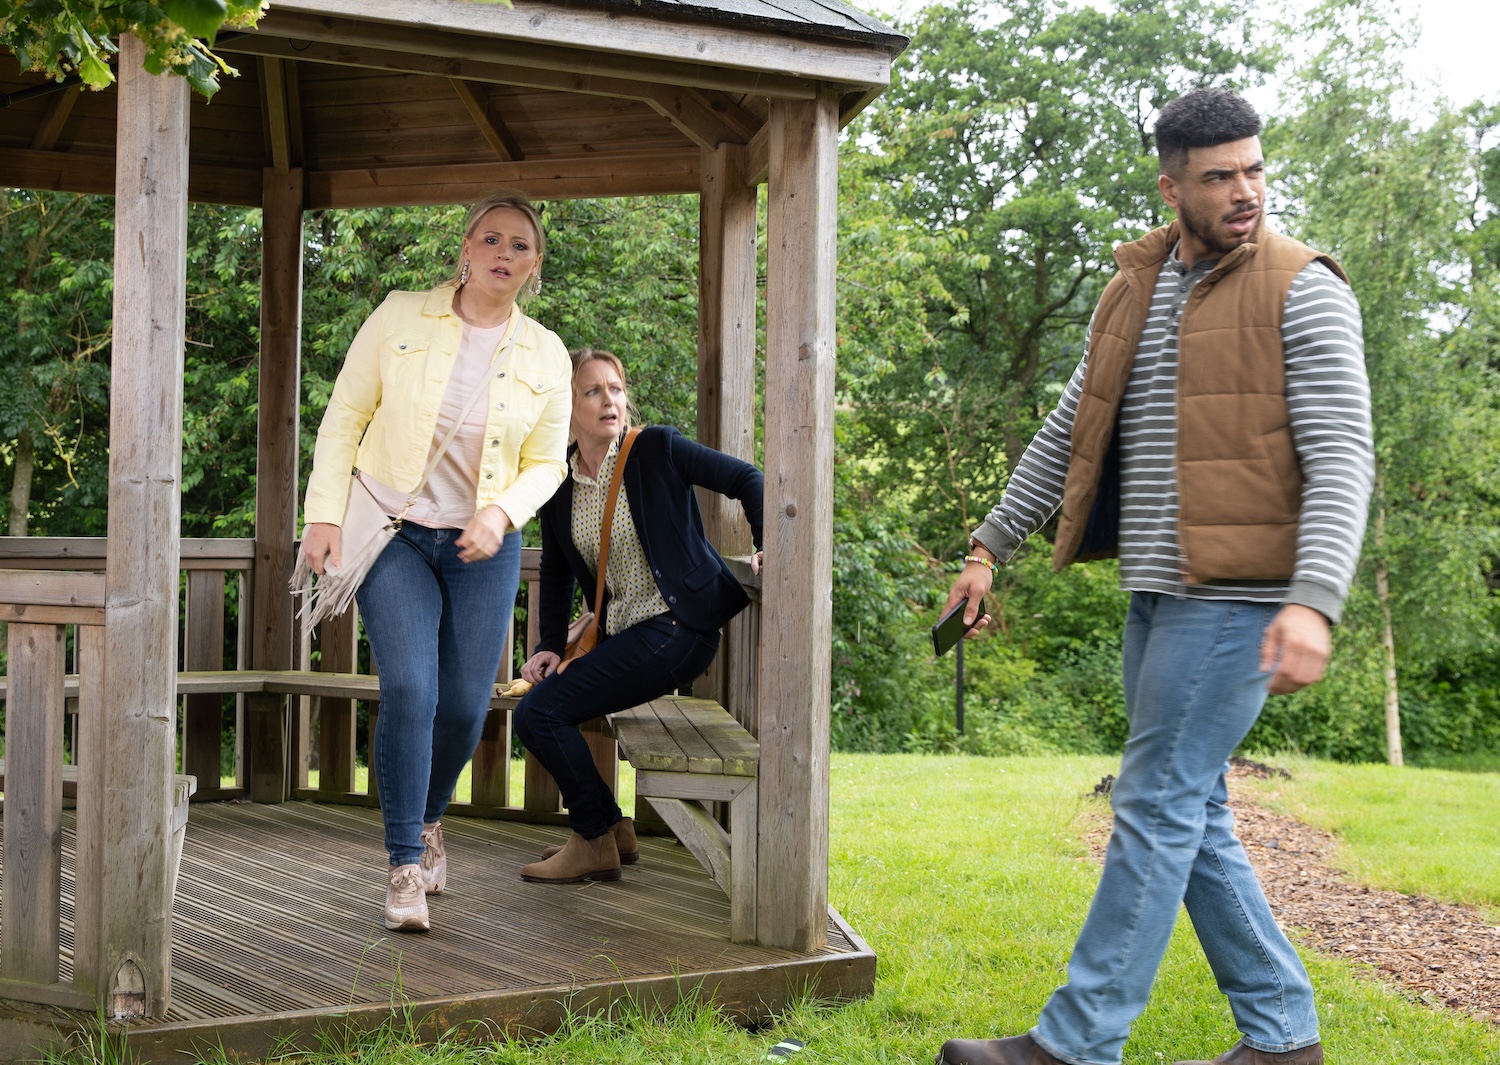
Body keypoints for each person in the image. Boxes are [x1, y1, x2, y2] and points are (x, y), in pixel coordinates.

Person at [935, 89, 1373, 1065]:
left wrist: (1316, 601)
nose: (1245, 191)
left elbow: (1344, 455)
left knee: (1156, 800)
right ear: (1171, 183)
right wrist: (987, 546)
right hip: (1159, 591)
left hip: (1244, 596)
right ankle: (1284, 1037)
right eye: (1220, 176)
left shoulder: (1306, 287)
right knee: (1194, 805)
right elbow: (1068, 431)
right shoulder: (1134, 287)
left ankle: (1077, 1044)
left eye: (1255, 169)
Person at [299, 190, 571, 933]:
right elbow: (345, 416)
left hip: (484, 540)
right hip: (391, 528)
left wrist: (501, 512)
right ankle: (402, 864)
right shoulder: (399, 314)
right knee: (412, 690)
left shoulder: (546, 352)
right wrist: (322, 515)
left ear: (534, 264)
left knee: (463, 703)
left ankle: (427, 818)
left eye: (519, 245)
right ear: (465, 248)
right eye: (491, 239)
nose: (503, 255)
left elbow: (548, 462)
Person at [513, 348, 764, 884]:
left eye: (616, 388)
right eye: (593, 391)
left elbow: (749, 479)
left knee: (538, 714)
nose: (610, 400)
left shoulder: (656, 449)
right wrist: (548, 645)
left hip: (681, 628)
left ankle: (593, 837)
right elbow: (556, 573)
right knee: (539, 710)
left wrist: (769, 547)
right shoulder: (558, 486)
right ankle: (608, 829)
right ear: (568, 407)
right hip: (631, 636)